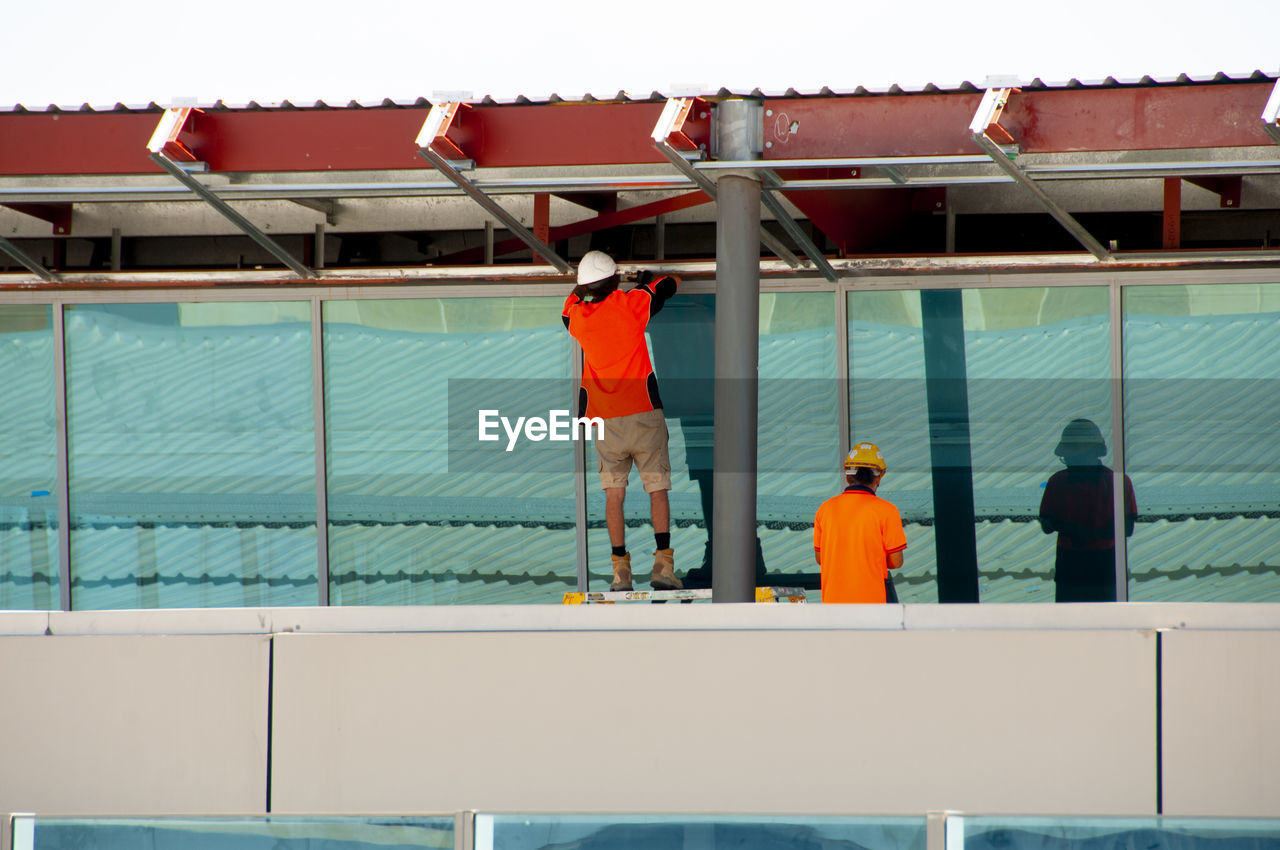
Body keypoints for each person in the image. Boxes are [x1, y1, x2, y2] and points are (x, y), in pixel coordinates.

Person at [562, 250, 682, 592]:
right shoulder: (633, 305)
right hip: (643, 412)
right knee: (657, 490)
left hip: (605, 422)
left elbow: (567, 307)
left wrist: (582, 291)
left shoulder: (580, 320)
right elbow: (671, 284)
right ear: (614, 279)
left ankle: (620, 571)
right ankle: (663, 566)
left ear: (586, 287)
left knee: (613, 495)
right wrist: (642, 282)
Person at [1039, 418, 1137, 602]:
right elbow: (1047, 523)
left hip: (1095, 564)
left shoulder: (1116, 482)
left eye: (1073, 455)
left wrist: (1079, 532)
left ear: (1092, 453)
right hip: (1082, 564)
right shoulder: (1116, 481)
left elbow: (1127, 528)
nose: (1068, 460)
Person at [813, 442, 907, 603]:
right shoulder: (887, 510)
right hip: (872, 606)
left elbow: (821, 558)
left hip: (832, 604)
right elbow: (896, 561)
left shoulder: (825, 509)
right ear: (878, 477)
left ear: (848, 476)